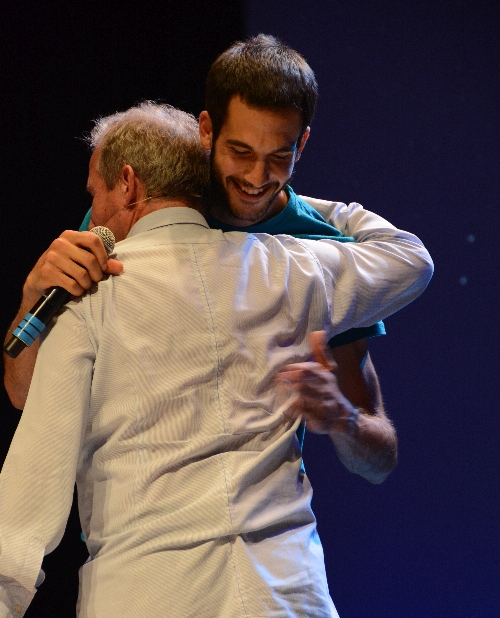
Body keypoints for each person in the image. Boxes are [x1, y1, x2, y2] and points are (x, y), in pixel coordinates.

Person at [0, 103, 431, 618]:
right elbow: (409, 259)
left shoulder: (92, 298)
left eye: (94, 195)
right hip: (284, 611)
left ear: (128, 185)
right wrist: (306, 212)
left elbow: (39, 458)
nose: (90, 219)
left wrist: (5, 602)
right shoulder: (287, 264)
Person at [6, 35, 394, 488]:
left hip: (260, 520)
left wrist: (344, 418)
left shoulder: (318, 246)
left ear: (302, 143)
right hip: (132, 515)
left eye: (279, 156)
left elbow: (379, 460)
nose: (256, 177)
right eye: (241, 151)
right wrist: (31, 296)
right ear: (206, 130)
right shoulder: (136, 208)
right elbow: (24, 392)